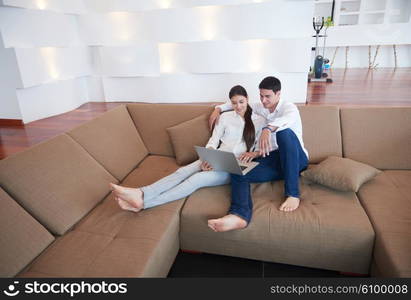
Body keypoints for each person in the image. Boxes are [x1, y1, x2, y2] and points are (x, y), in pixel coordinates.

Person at [110, 85, 266, 214]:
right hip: (217, 158)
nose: (238, 106)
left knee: (195, 180)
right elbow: (213, 141)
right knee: (182, 172)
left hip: (234, 167)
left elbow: (261, 148)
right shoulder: (225, 117)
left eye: (241, 102)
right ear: (230, 103)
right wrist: (208, 157)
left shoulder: (259, 120)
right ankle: (142, 193)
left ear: (247, 100)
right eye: (234, 103)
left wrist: (254, 153)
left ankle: (144, 203)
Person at [207, 76, 309, 233]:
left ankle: (293, 194)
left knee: (284, 134)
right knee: (239, 168)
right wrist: (218, 109)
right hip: (274, 159)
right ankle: (239, 215)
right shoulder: (260, 106)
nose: (263, 100)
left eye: (267, 96)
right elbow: (239, 103)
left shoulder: (289, 108)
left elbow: (285, 121)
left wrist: (267, 129)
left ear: (278, 94)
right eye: (261, 96)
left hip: (296, 160)